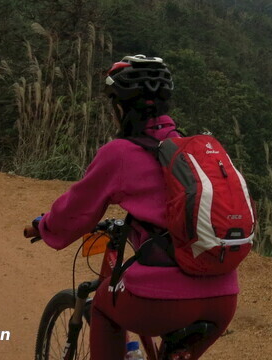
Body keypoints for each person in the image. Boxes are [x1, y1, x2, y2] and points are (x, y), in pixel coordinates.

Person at [24, 54, 238, 359]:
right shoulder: (191, 150)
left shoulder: (120, 153)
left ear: (119, 107)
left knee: (102, 307)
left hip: (162, 301)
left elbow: (76, 211)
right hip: (224, 299)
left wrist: (43, 226)